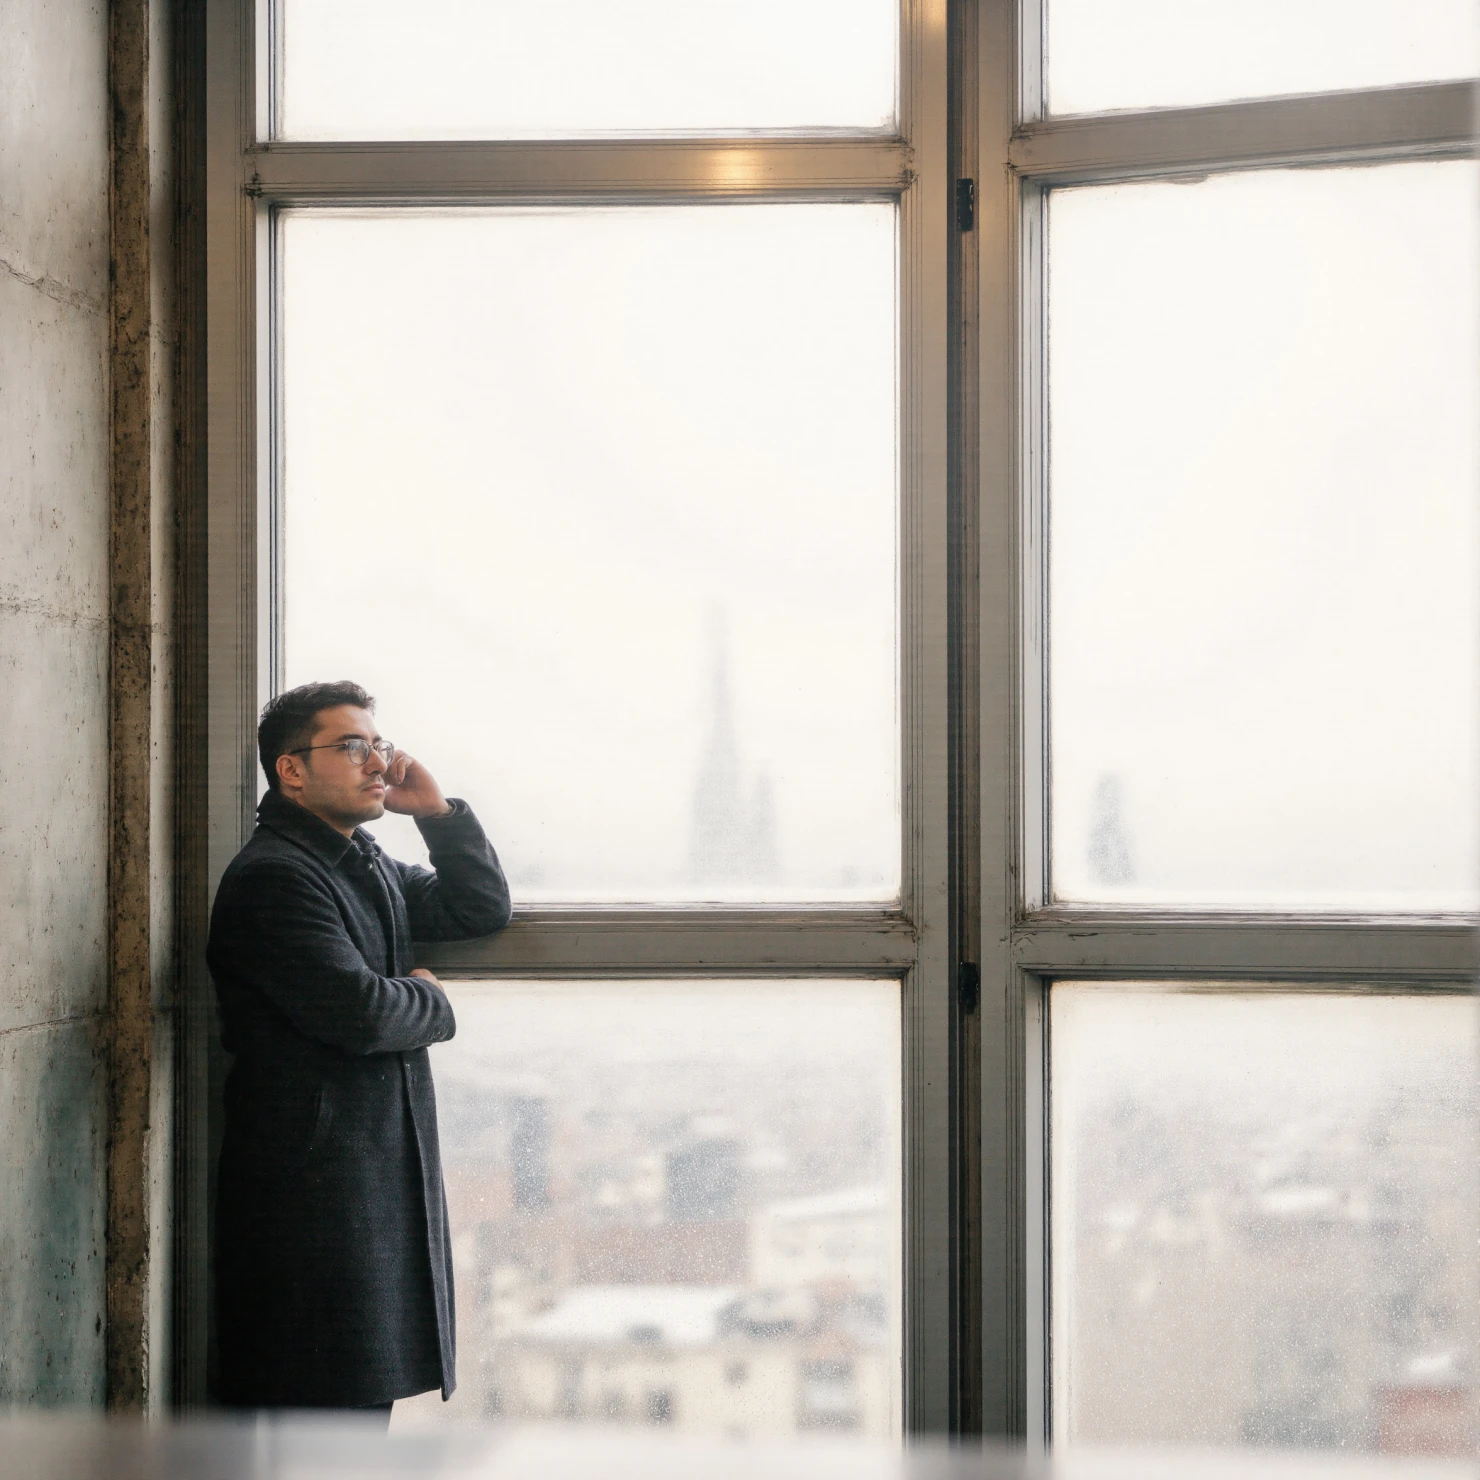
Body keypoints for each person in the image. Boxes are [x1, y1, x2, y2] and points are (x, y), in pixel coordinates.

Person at [207, 680, 511, 1420]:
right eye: (352, 747)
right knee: (322, 1417)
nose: (379, 762)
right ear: (291, 770)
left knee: (352, 1415)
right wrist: (432, 999)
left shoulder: (357, 862)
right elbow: (363, 1014)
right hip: (311, 1201)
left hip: (351, 1184)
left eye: (379, 744)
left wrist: (436, 815)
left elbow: (477, 908)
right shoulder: (276, 878)